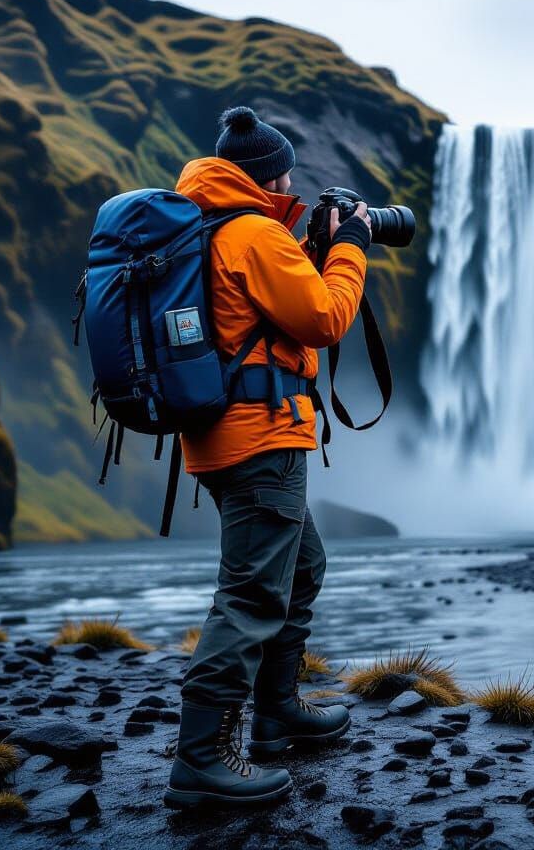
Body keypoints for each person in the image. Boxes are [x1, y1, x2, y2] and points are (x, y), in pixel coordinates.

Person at [164, 106, 371, 809]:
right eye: (289, 170)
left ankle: (277, 710)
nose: (296, 180)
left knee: (301, 565)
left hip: (222, 437)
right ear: (270, 174)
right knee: (252, 594)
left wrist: (309, 254)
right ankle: (200, 760)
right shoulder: (253, 231)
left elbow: (264, 317)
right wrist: (351, 249)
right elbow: (323, 319)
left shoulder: (207, 225)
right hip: (262, 436)